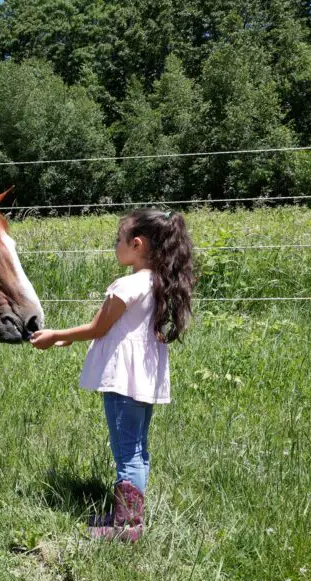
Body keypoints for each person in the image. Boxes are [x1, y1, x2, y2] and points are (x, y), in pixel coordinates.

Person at [30, 208, 195, 541]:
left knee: (127, 451)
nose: (115, 246)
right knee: (137, 448)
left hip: (123, 377)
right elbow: (115, 329)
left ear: (136, 244)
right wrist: (65, 339)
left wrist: (53, 334)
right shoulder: (159, 282)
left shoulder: (128, 284)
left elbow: (97, 328)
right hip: (144, 377)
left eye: (118, 240)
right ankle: (126, 516)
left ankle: (127, 527)